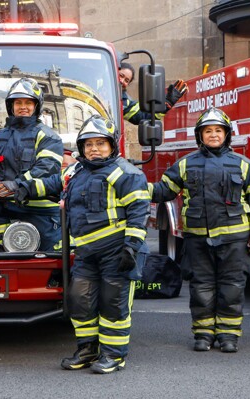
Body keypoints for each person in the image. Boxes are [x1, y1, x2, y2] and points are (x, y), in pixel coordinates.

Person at [15, 115, 150, 373]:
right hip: (86, 252)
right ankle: (87, 350)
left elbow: (138, 212)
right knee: (80, 301)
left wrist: (131, 246)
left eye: (100, 143)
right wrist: (23, 187)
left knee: (113, 303)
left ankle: (113, 355)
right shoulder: (75, 171)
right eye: (88, 144)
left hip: (118, 250)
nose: (94, 149)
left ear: (112, 145)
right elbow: (52, 184)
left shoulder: (127, 173)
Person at [148, 107, 250, 353]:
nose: (213, 135)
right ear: (199, 135)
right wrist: (133, 183)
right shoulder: (185, 164)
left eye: (218, 130)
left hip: (235, 238)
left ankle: (228, 336)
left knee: (232, 287)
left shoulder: (244, 166)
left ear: (227, 134)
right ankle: (203, 334)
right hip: (198, 238)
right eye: (208, 131)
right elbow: (163, 191)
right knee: (200, 287)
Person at [0, 77, 64, 252]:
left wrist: (16, 184)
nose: (23, 106)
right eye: (18, 102)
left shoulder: (47, 136)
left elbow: (46, 169)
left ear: (36, 106)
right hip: (7, 206)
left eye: (28, 102)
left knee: (48, 263)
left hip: (39, 211)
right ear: (11, 106)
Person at [119, 62, 188, 125]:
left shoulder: (124, 101)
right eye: (121, 75)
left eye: (126, 80)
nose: (122, 81)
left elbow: (143, 116)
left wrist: (166, 104)